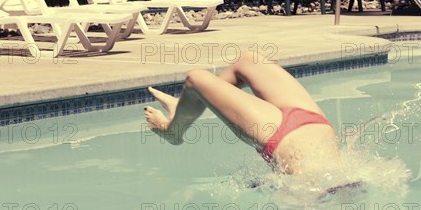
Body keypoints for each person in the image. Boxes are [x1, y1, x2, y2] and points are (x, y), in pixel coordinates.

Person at [144, 49, 342, 177]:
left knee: (195, 79)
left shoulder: (316, 198)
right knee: (248, 60)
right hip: (312, 122)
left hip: (286, 146)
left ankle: (173, 132)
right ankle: (185, 105)